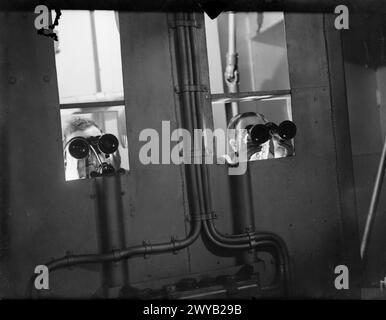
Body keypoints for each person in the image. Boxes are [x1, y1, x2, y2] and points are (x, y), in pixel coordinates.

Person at [225, 112, 294, 164]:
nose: (257, 134)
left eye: (261, 129)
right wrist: (243, 162)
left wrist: (284, 161)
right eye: (247, 131)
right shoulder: (230, 176)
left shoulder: (276, 162)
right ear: (234, 145)